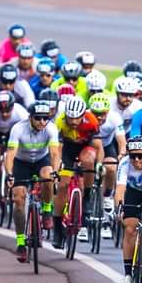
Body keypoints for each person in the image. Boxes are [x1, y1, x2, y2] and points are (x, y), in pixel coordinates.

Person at [5, 101, 61, 263]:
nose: (42, 122)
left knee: (48, 175)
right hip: (21, 163)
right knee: (18, 199)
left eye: (45, 118)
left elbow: (54, 154)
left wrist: (56, 172)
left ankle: (47, 210)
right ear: (30, 117)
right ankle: (20, 242)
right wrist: (9, 174)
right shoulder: (18, 129)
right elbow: (10, 154)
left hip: (41, 160)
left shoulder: (51, 128)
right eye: (38, 118)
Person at [52, 96, 104, 248]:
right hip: (67, 150)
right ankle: (57, 228)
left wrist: (99, 164)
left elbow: (98, 147)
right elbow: (57, 149)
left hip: (85, 148)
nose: (74, 121)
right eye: (70, 118)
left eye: (77, 118)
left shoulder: (91, 120)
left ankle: (87, 196)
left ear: (83, 115)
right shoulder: (60, 122)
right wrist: (57, 167)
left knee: (89, 160)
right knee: (62, 186)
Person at [116, 135, 142, 283]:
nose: (136, 160)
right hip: (133, 193)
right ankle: (128, 275)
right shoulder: (124, 163)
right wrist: (119, 208)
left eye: (140, 155)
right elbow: (120, 189)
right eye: (133, 156)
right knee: (129, 228)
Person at [88, 92, 126, 234]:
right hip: (89, 146)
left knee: (111, 167)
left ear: (108, 111)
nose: (99, 117)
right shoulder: (85, 117)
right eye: (96, 114)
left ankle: (107, 196)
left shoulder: (114, 118)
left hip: (108, 146)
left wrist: (121, 155)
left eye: (102, 114)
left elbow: (122, 141)